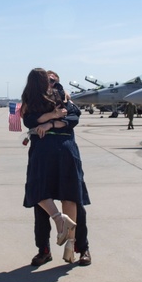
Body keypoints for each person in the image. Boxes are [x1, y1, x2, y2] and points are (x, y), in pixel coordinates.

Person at [20, 68, 92, 267]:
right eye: (50, 80)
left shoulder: (63, 96)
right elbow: (29, 120)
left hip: (65, 150)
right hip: (43, 152)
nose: (53, 84)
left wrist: (51, 124)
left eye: (56, 81)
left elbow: (74, 118)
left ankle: (80, 246)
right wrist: (53, 117)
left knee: (73, 199)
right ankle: (44, 249)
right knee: (40, 198)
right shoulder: (33, 101)